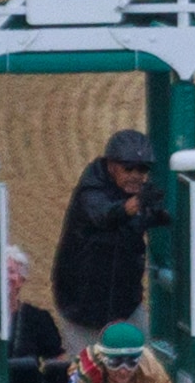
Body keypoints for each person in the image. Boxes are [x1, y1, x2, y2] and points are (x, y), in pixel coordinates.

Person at [49, 129, 169, 354]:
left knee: (143, 372)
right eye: (128, 167)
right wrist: (135, 205)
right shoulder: (91, 190)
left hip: (125, 306)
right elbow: (104, 214)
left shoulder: (136, 193)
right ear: (111, 165)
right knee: (90, 379)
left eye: (143, 169)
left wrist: (163, 213)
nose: (136, 174)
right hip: (82, 311)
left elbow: (156, 217)